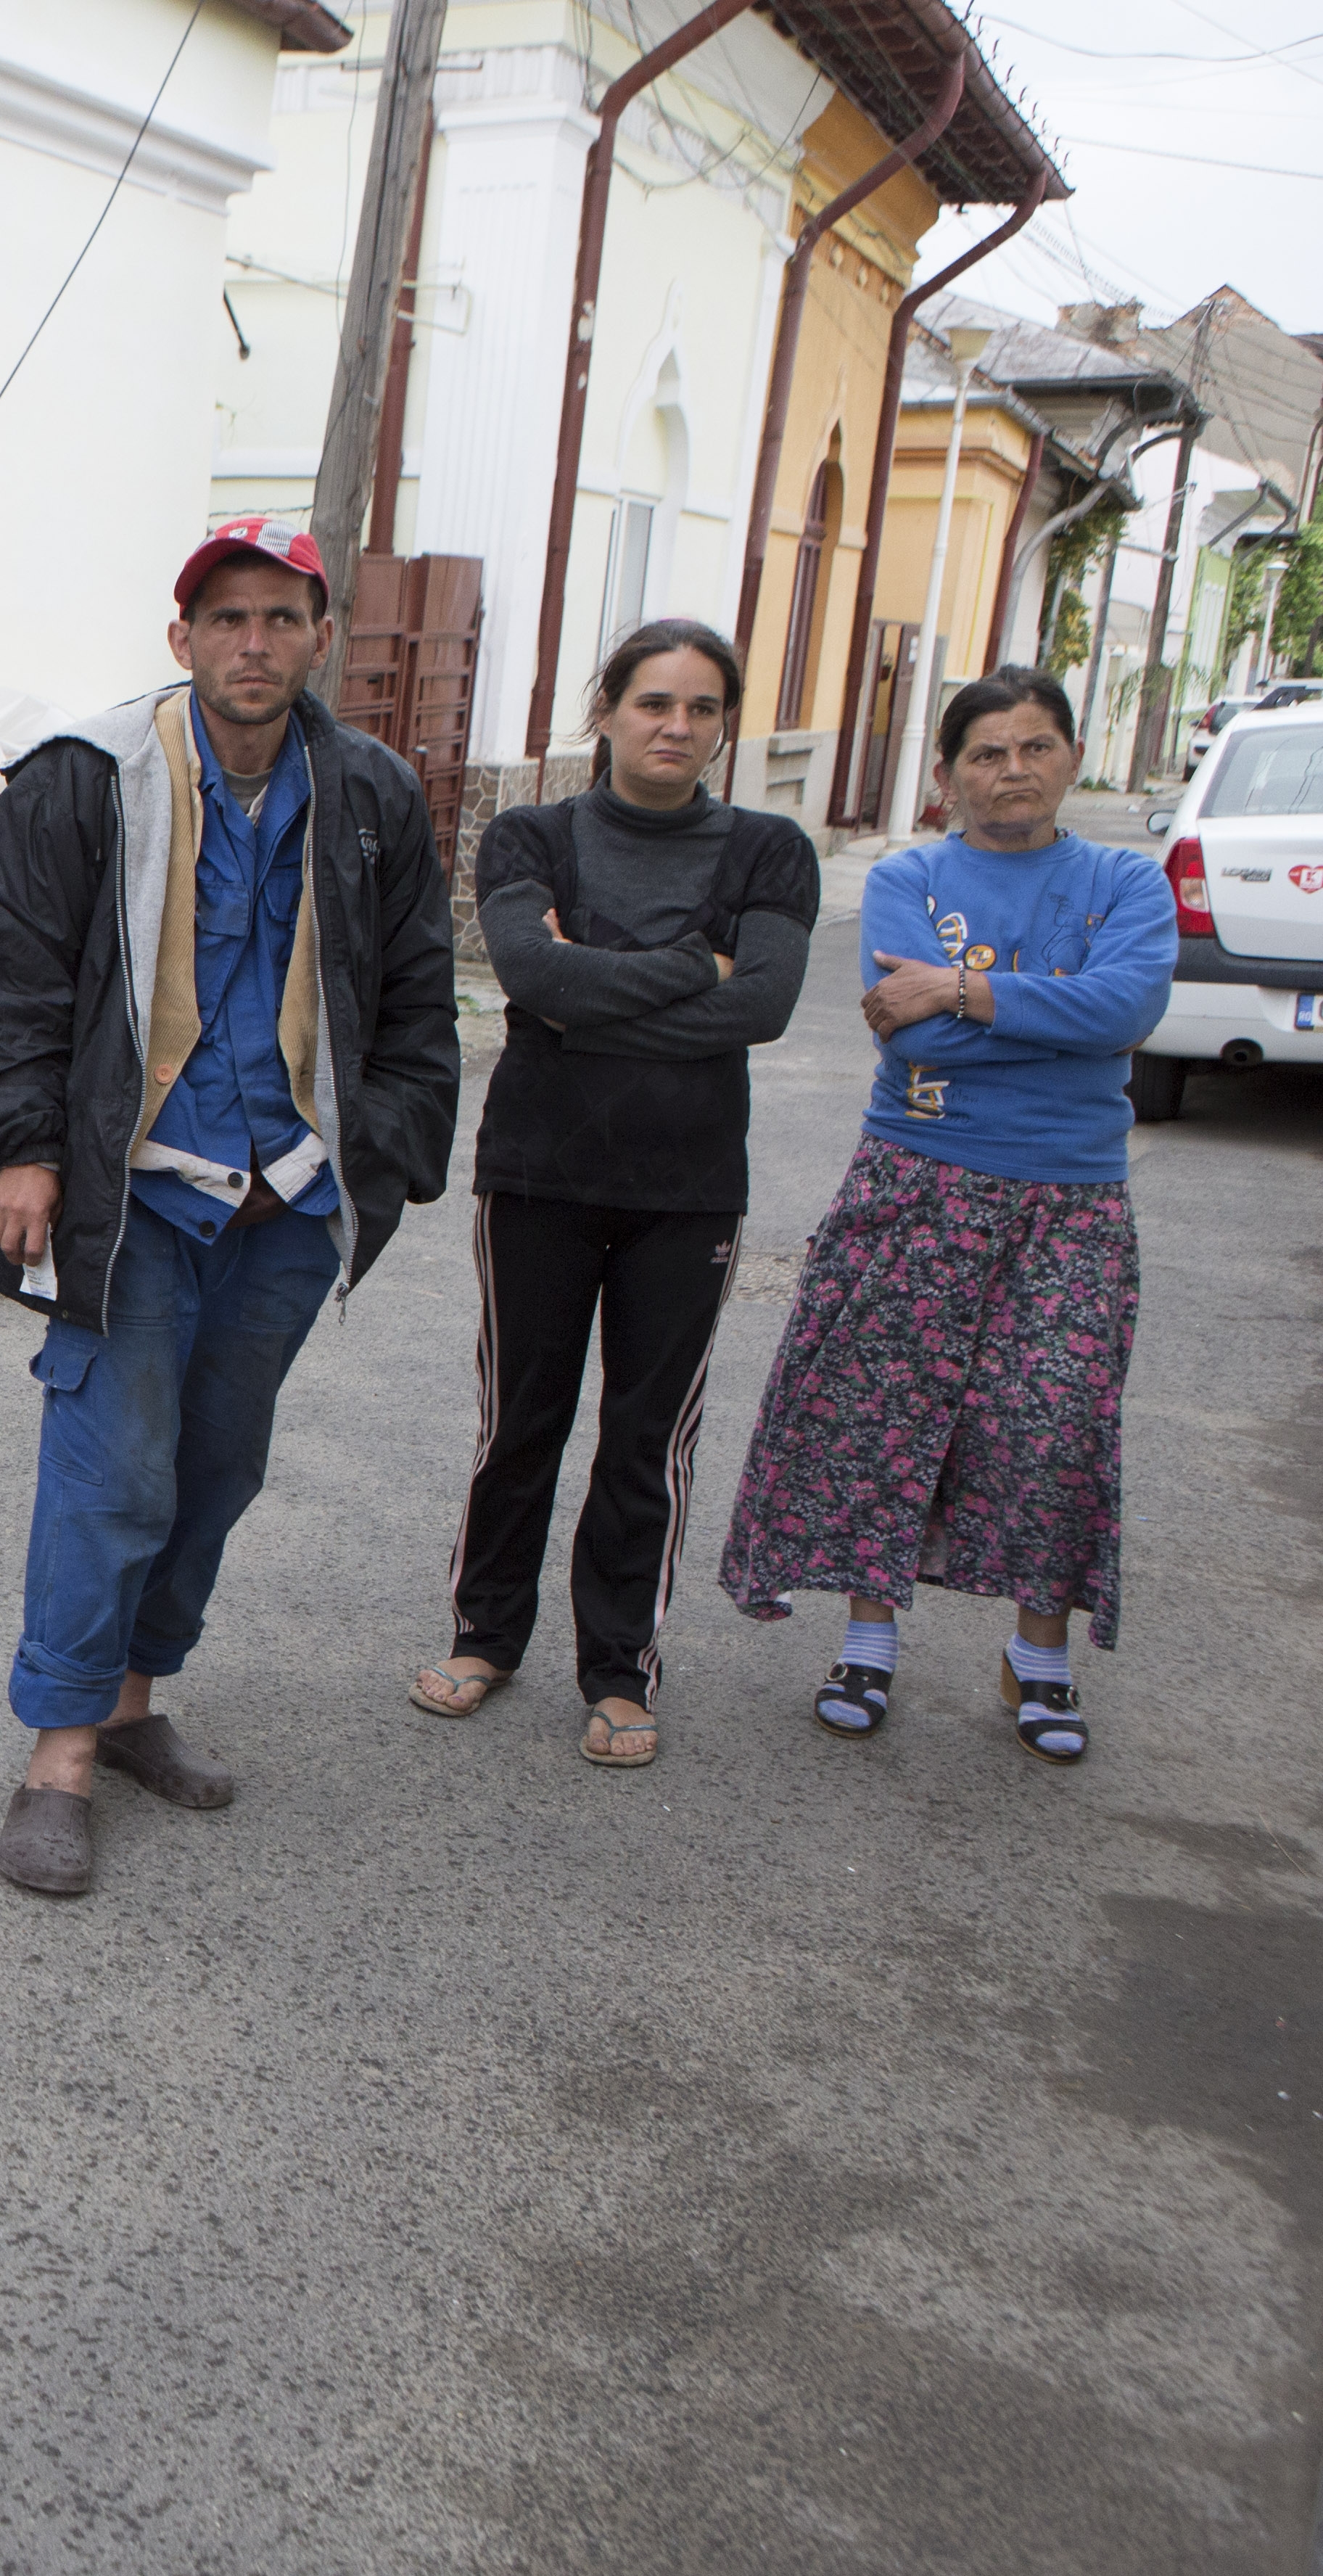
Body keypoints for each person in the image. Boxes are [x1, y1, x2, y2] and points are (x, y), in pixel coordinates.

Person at [0, 517, 462, 1897]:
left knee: (216, 1470)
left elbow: (417, 996)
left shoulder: (371, 796)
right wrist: (23, 1147)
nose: (253, 643)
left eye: (280, 619)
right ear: (182, 639)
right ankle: (56, 1754)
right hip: (141, 1192)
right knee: (112, 1473)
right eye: (226, 619)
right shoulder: (85, 781)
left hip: (287, 1199)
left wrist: (386, 1155)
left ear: (318, 636)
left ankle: (130, 1705)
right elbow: (9, 982)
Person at [715, 664, 1173, 1761]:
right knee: (886, 1412)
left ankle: (1040, 1655)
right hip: (918, 1180)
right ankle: (868, 1641)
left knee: (1049, 1423)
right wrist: (1043, 1018)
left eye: (1035, 747)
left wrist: (961, 990)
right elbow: (908, 1035)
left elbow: (1128, 1007)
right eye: (986, 753)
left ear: (1070, 755)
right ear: (948, 775)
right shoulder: (912, 877)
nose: (1013, 770)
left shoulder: (1126, 881)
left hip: (1072, 1200)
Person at [409, 622, 818, 1764]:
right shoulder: (533, 836)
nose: (675, 727)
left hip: (687, 1191)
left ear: (725, 722)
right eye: (653, 703)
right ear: (606, 711)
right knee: (519, 1422)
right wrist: (699, 963)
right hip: (538, 1175)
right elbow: (528, 977)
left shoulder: (770, 853)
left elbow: (768, 1006)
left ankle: (620, 1668)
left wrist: (591, 991)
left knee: (650, 1437)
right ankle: (486, 1634)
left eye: (700, 708)